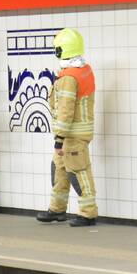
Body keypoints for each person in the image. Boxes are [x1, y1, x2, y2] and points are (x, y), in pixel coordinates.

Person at [37, 28, 98, 227]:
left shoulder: (69, 77)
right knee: (59, 170)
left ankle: (88, 213)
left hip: (72, 135)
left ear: (61, 51)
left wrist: (59, 139)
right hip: (74, 132)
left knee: (78, 172)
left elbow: (65, 110)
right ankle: (57, 209)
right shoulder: (84, 69)